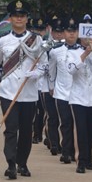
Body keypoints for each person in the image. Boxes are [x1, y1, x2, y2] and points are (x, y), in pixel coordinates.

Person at [0, 0, 44, 179]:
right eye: (15, 16)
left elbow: (44, 65)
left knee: (27, 131)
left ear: (27, 18)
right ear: (10, 18)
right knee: (11, 129)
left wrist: (36, 74)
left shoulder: (37, 39)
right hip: (8, 92)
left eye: (22, 16)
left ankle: (22, 163)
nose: (19, 19)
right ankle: (11, 163)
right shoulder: (2, 41)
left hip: (28, 93)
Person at [67, 31, 92, 174]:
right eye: (86, 37)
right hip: (78, 96)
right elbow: (71, 70)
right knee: (81, 129)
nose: (88, 39)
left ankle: (89, 156)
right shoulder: (72, 52)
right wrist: (84, 54)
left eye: (91, 37)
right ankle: (81, 160)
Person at [49, 18, 77, 163]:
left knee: (75, 124)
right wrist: (51, 87)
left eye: (74, 31)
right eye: (68, 31)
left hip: (78, 93)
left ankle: (74, 150)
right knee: (65, 123)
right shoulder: (56, 52)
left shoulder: (83, 51)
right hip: (61, 92)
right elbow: (52, 71)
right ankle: (66, 152)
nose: (71, 34)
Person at [42, 16, 64, 155]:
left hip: (63, 87)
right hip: (46, 85)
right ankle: (54, 143)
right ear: (52, 31)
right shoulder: (45, 45)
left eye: (61, 32)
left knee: (64, 118)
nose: (59, 34)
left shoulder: (67, 47)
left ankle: (60, 142)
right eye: (56, 31)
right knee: (52, 116)